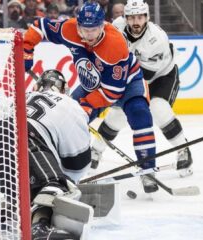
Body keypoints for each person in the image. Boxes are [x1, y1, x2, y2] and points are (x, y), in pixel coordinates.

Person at [23, 1, 159, 193]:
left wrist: (87, 104)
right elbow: (40, 27)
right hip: (91, 84)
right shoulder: (69, 29)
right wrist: (26, 51)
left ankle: (148, 169)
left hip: (127, 83)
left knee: (140, 115)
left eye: (93, 29)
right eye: (84, 29)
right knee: (66, 120)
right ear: (77, 24)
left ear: (102, 26)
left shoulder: (114, 45)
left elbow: (112, 92)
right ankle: (57, 171)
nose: (88, 35)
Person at [0, 70, 93, 238]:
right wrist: (65, 181)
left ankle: (17, 204)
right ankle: (39, 226)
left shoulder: (17, 97)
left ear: (36, 86)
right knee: (58, 185)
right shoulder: (69, 103)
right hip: (26, 138)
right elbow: (78, 162)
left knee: (36, 183)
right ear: (64, 90)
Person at [90, 0, 193, 178]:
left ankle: (183, 150)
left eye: (140, 17)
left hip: (161, 76)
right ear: (125, 18)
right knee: (118, 114)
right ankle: (95, 150)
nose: (136, 22)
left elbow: (144, 74)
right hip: (132, 74)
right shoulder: (116, 28)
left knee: (158, 108)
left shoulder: (157, 39)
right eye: (131, 18)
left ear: (147, 17)